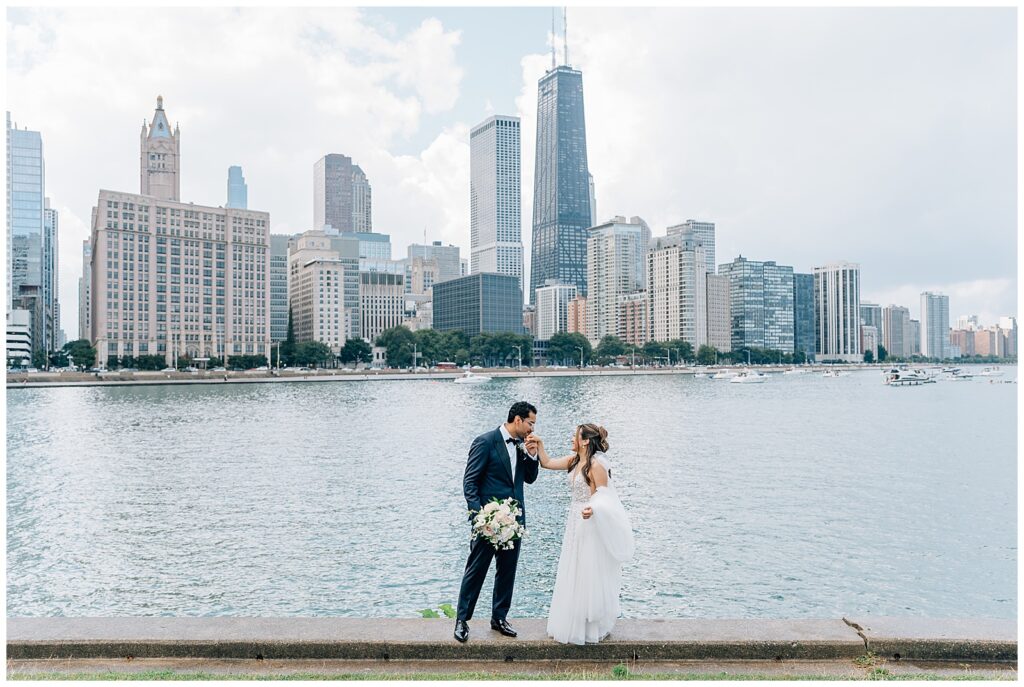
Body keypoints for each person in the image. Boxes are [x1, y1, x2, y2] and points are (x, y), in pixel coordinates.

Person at [529, 423, 634, 645]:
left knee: (589, 571)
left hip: (589, 520)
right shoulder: (574, 461)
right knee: (574, 568)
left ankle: (590, 624)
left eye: (575, 436)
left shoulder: (596, 465)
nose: (571, 439)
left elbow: (606, 496)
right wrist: (539, 444)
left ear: (585, 440)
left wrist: (593, 508)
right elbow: (546, 463)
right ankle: (574, 620)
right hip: (574, 522)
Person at [454, 401, 540, 643]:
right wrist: (479, 518)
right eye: (530, 423)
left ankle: (499, 618)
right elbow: (469, 483)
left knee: (507, 571)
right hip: (488, 521)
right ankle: (462, 620)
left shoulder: (524, 445)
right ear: (517, 420)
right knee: (476, 570)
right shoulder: (485, 442)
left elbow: (530, 479)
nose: (532, 428)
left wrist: (532, 456)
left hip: (515, 521)